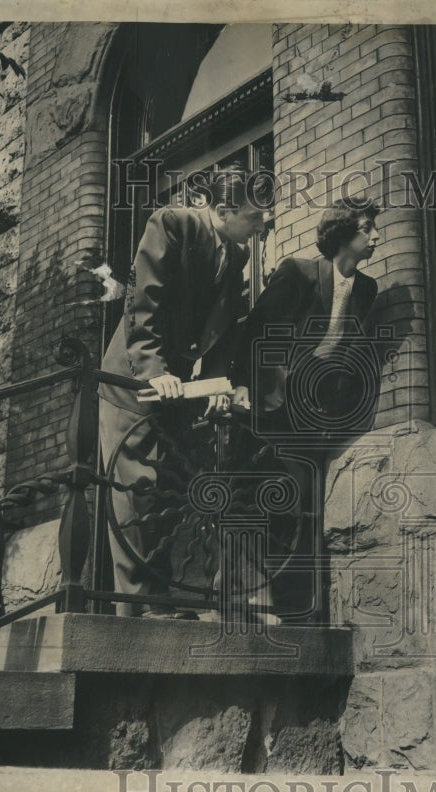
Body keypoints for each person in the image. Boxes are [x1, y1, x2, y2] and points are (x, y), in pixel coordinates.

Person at [98, 165, 271, 618]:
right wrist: (153, 370)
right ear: (224, 209)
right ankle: (137, 612)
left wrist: (216, 382)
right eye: (256, 217)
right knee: (134, 490)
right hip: (132, 380)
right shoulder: (170, 223)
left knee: (167, 493)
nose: (264, 223)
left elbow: (224, 331)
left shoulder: (235, 257)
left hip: (175, 387)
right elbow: (141, 301)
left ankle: (160, 603)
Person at [229, 197, 382, 622]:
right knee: (276, 500)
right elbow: (256, 330)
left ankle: (303, 612)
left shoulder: (366, 290)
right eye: (366, 228)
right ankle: (259, 601)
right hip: (274, 406)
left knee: (310, 504)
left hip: (315, 413)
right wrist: (242, 385)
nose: (375, 236)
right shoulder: (297, 273)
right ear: (342, 236)